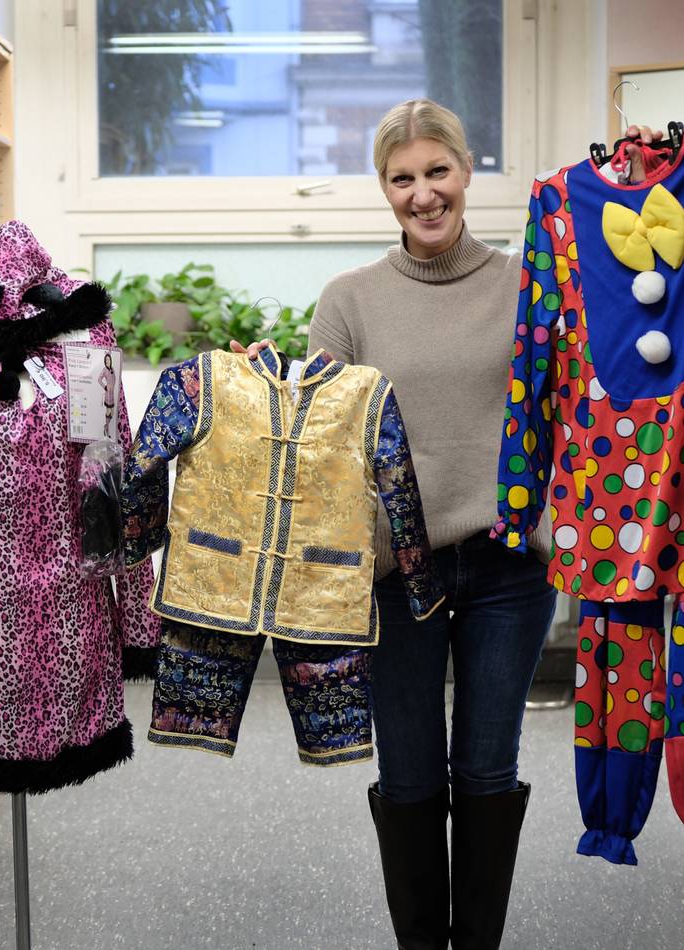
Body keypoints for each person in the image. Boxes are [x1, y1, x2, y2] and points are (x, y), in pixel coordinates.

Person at [234, 103, 660, 950]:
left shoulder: (529, 284)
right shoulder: (349, 300)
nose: (423, 195)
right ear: (385, 190)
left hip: (509, 568)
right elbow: (320, 441)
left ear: (468, 172)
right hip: (397, 577)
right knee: (412, 774)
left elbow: (580, 399)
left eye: (438, 172)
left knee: (487, 770)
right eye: (403, 178)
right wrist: (263, 391)